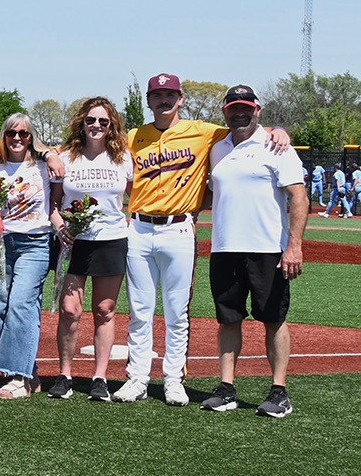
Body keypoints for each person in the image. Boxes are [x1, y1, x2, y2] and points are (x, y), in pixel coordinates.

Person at [114, 73, 291, 406]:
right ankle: (137, 377)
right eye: (157, 95)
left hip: (178, 228)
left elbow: (250, 128)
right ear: (148, 101)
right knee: (140, 308)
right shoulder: (133, 136)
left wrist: (279, 130)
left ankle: (173, 379)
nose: (164, 100)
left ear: (181, 98)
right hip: (138, 227)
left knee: (177, 310)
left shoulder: (205, 131)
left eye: (170, 95)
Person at [201, 85, 307, 418]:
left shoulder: (277, 146)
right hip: (225, 248)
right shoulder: (217, 148)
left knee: (274, 319)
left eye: (246, 107)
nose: (240, 113)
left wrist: (294, 246)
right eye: (233, 107)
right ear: (225, 111)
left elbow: (299, 198)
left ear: (258, 109)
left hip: (267, 250)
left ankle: (279, 392)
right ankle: (227, 388)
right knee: (228, 320)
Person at [47, 96, 132, 402]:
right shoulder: (66, 157)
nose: (96, 126)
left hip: (111, 240)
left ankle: (99, 378)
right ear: (81, 123)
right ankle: (65, 374)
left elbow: (137, 196)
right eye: (90, 120)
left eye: (103, 121)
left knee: (105, 310)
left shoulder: (123, 157)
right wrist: (60, 226)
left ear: (112, 126)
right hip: (74, 242)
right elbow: (53, 204)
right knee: (70, 311)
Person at [0, 114, 52, 397]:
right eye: (11, 133)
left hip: (35, 242)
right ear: (4, 135)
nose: (17, 138)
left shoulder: (43, 166)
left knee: (21, 303)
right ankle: (26, 371)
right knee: (1, 306)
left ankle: (18, 380)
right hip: (3, 243)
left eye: (23, 134)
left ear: (31, 137)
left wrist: (50, 153)